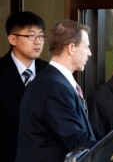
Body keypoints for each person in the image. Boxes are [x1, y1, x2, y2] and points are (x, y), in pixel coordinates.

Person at [15, 19, 97, 162]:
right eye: (86, 47)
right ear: (71, 48)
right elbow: (76, 140)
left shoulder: (51, 80)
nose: (89, 53)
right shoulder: (55, 87)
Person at [0, 11, 48, 162]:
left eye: (41, 36)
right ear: (12, 39)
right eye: (31, 36)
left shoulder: (49, 72)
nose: (38, 42)